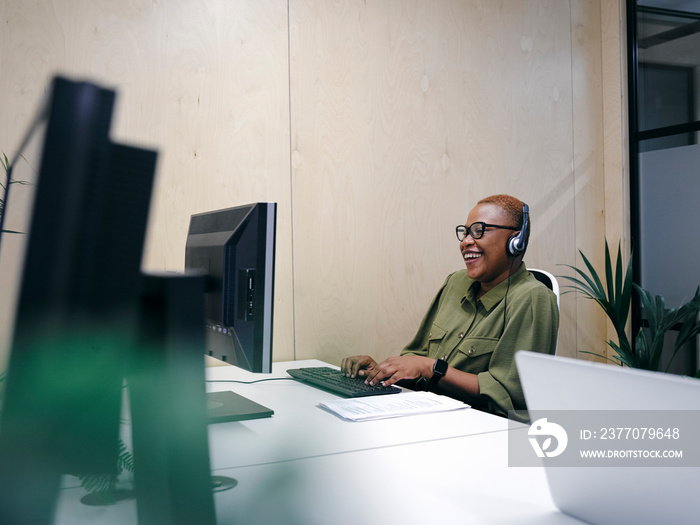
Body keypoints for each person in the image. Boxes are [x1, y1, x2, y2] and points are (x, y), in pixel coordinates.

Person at [340, 194, 558, 418]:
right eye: (465, 233)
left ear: (515, 241)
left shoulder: (532, 298)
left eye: (479, 230)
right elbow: (417, 357)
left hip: (477, 429)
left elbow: (510, 397)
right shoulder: (455, 282)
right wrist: (380, 373)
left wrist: (431, 368)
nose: (466, 241)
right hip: (423, 413)